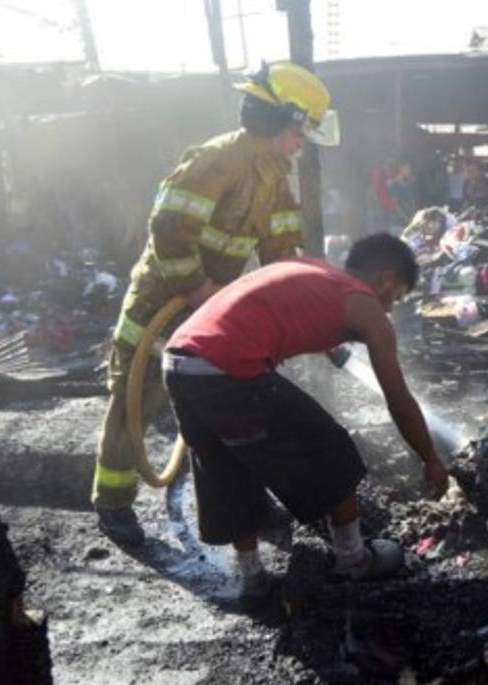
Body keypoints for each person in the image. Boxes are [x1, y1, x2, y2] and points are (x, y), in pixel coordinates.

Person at [92, 61, 339, 547]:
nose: (303, 141)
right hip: (160, 302)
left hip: (210, 310)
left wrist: (300, 311)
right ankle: (113, 503)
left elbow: (281, 250)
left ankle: (246, 499)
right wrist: (199, 290)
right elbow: (168, 230)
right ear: (281, 119)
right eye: (302, 128)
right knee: (134, 400)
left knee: (224, 406)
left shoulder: (274, 177)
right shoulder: (217, 160)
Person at [161, 233, 449, 600]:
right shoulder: (364, 304)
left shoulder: (315, 271)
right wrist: (430, 459)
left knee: (226, 467)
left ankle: (252, 580)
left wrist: (333, 348)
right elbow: (400, 402)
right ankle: (353, 560)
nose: (391, 308)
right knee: (331, 448)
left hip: (179, 364)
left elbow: (282, 305)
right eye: (396, 297)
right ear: (386, 280)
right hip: (228, 367)